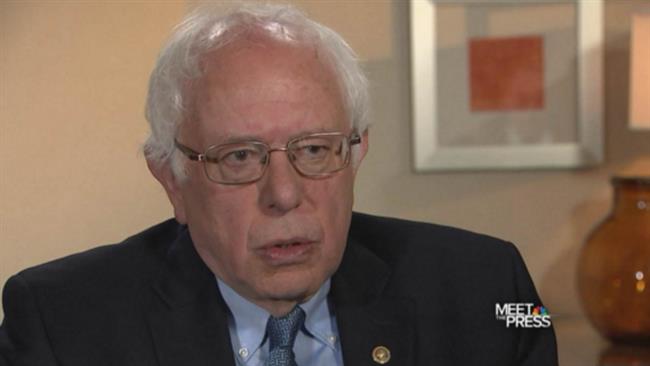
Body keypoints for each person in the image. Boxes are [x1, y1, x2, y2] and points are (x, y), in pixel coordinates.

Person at [0, 3, 557, 366]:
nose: (284, 194)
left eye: (314, 149)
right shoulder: (59, 323)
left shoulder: (495, 292)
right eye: (239, 157)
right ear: (171, 176)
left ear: (356, 153)